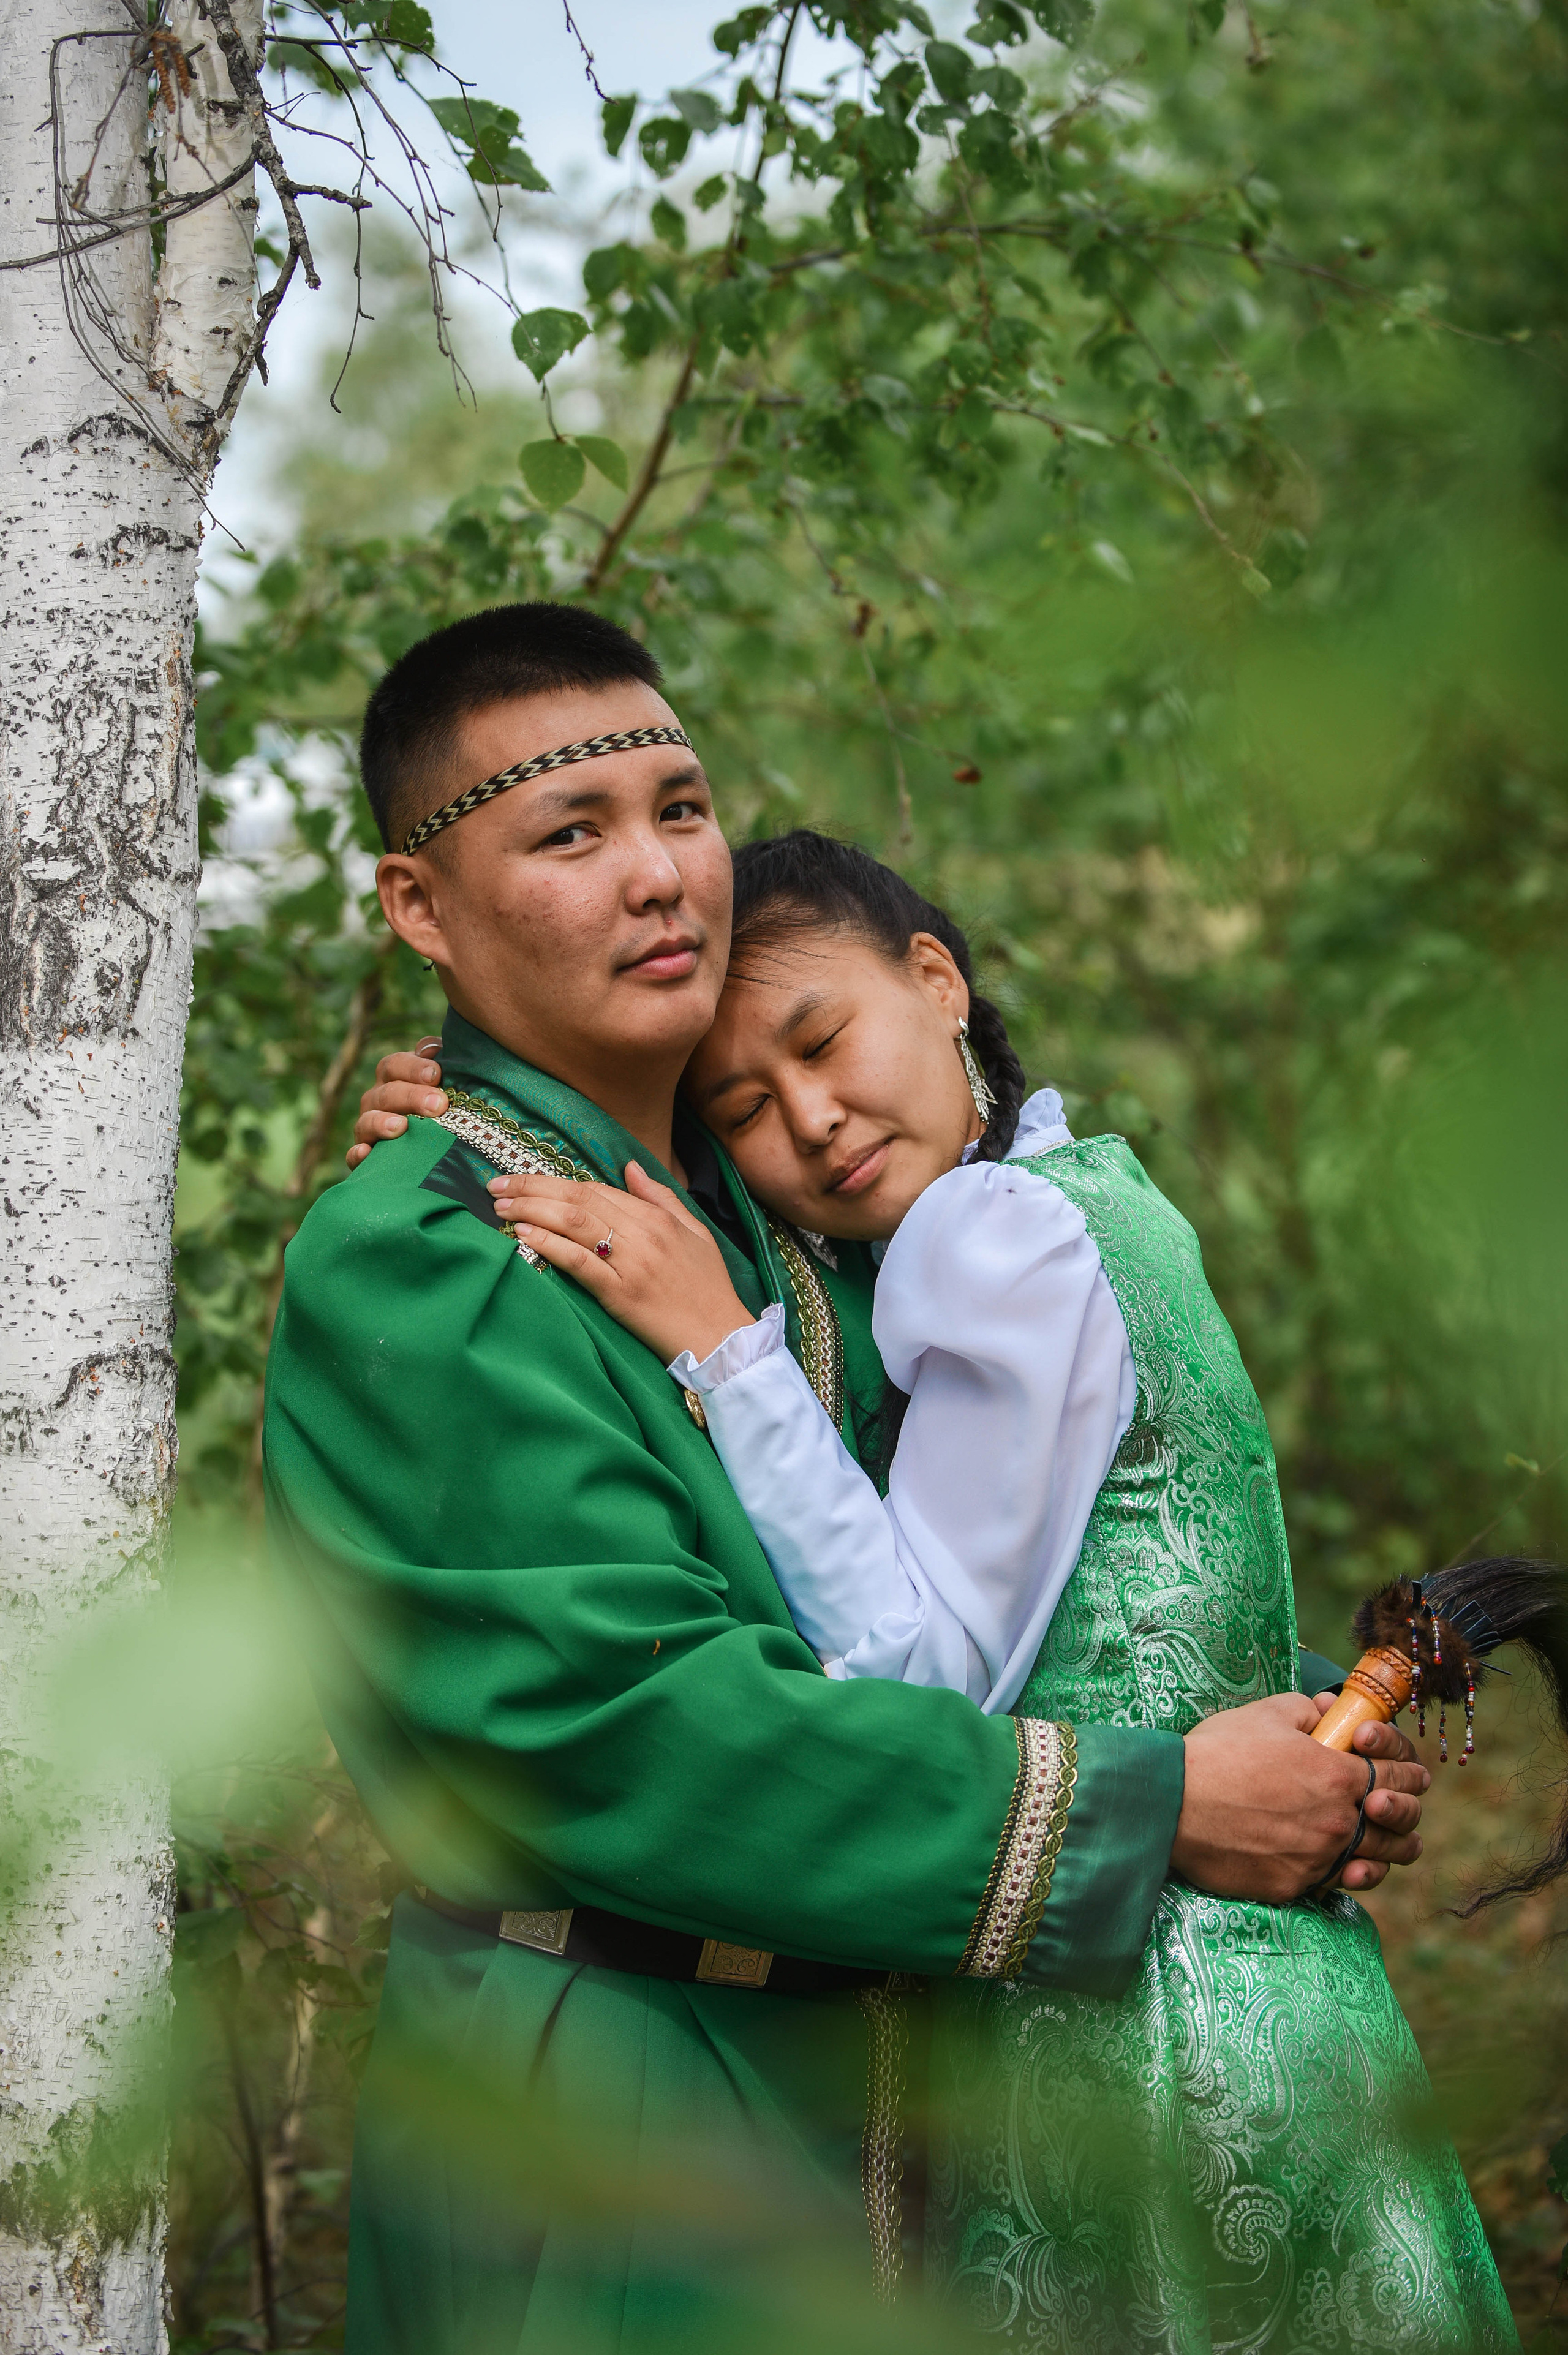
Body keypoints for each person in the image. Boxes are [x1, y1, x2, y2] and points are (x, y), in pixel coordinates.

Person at [268, 600, 1427, 2355]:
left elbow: (1015, 1540)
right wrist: (1149, 1806)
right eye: (569, 835)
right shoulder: (437, 1257)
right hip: (619, 2122)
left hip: (882, 2107)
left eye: (680, 807)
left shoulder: (781, 1226)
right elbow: (627, 1724)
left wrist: (1243, 1727)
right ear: (418, 909)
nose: (658, 874)